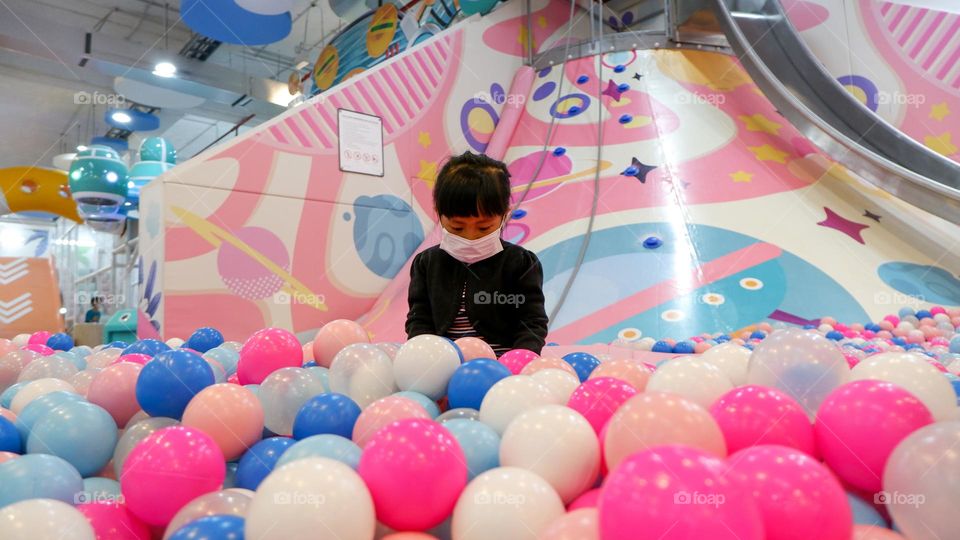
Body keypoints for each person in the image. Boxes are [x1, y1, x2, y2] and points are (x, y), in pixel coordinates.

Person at [405, 151, 548, 355]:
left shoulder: (520, 263)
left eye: (484, 228)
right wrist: (424, 354)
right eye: (457, 227)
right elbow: (419, 319)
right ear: (439, 213)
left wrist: (520, 359)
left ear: (503, 215)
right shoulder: (426, 263)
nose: (470, 237)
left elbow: (532, 322)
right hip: (443, 366)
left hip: (501, 366)